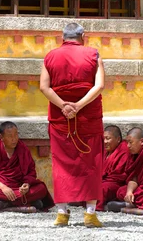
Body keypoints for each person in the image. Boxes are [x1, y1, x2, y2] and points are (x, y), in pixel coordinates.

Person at [40, 23, 105, 228]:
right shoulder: (93, 54)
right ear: (82, 36)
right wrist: (78, 106)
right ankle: (90, 214)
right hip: (88, 117)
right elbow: (99, 85)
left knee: (61, 164)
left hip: (61, 118)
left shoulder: (50, 56)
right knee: (91, 162)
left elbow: (44, 86)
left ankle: (61, 213)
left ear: (63, 37)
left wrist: (64, 106)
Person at [0, 121, 54, 211]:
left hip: (18, 187)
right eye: (10, 136)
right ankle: (26, 203)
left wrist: (26, 185)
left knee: (41, 188)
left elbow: (31, 172)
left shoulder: (22, 148)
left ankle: (3, 204)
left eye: (16, 135)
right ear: (2, 137)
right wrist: (3, 188)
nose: (14, 139)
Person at [96, 125, 131, 211]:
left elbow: (119, 175)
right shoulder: (105, 151)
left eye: (108, 138)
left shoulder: (124, 150)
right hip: (103, 180)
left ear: (118, 139)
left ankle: (95, 206)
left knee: (102, 189)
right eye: (103, 139)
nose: (105, 141)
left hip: (115, 183)